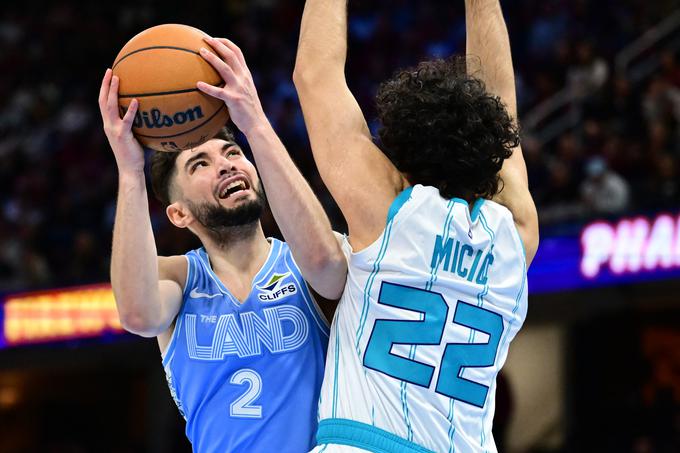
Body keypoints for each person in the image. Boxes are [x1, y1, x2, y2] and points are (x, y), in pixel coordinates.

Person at [294, 0, 539, 451]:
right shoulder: (517, 235)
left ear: (398, 157)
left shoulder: (388, 211)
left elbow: (315, 77)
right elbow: (500, 101)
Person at [99, 36, 346, 452]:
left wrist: (254, 122)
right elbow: (139, 315)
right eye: (201, 163)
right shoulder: (178, 277)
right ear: (179, 214)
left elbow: (328, 267)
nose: (227, 163)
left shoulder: (306, 260)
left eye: (231, 151)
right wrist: (129, 171)